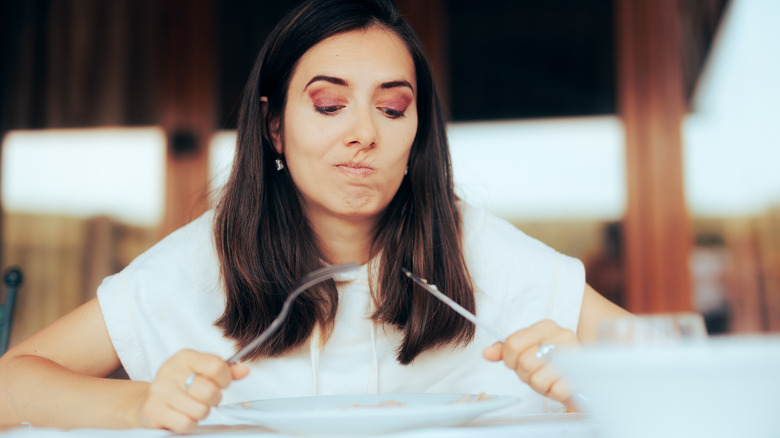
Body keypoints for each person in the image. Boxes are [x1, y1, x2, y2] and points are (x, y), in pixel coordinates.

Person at [0, 0, 630, 432]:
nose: (364, 133)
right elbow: (9, 385)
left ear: (417, 134)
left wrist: (598, 380)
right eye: (329, 105)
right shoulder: (206, 258)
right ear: (274, 127)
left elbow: (685, 372)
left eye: (392, 108)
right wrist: (140, 404)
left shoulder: (475, 247)